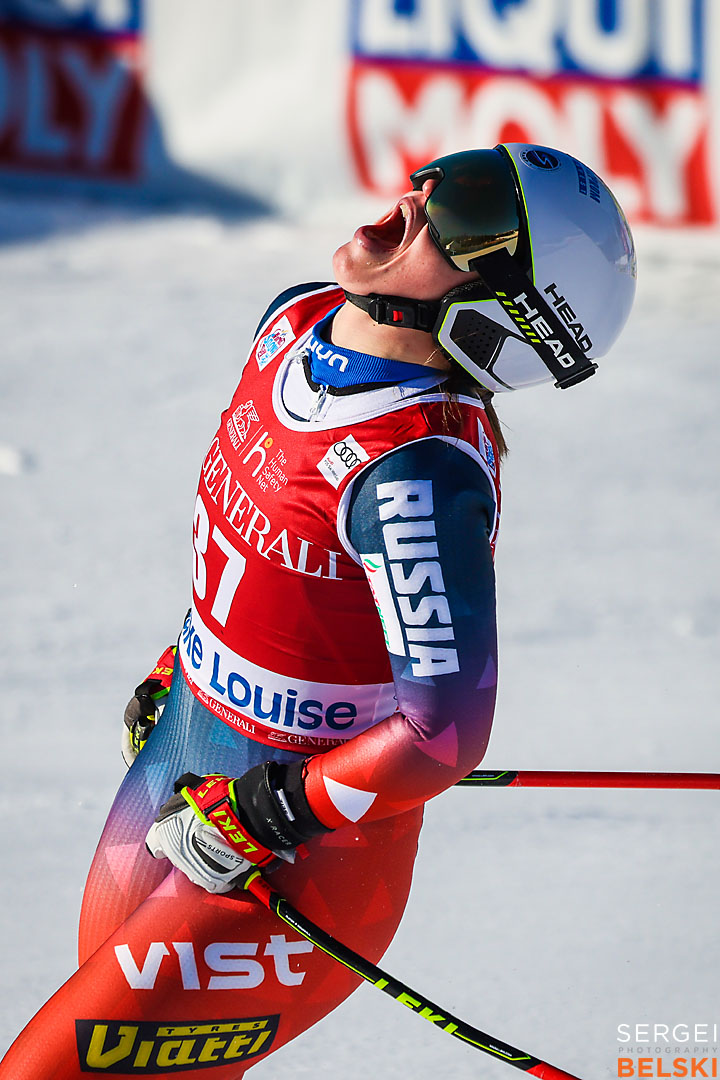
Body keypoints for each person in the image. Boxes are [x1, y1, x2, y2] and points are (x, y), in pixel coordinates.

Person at [0, 143, 636, 1078]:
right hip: (188, 761)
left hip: (298, 860)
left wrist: (270, 813)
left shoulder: (409, 471)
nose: (416, 197)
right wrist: (187, 665)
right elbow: (280, 576)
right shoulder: (294, 324)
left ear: (498, 316)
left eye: (465, 213)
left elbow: (444, 734)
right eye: (444, 174)